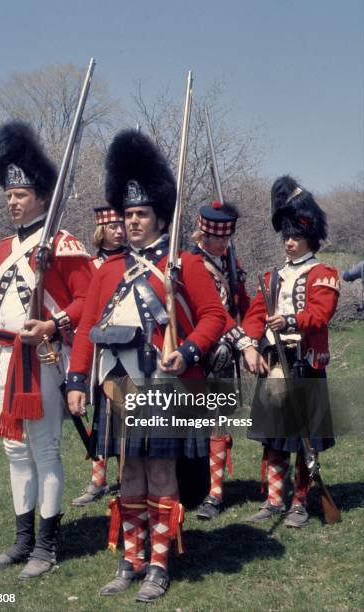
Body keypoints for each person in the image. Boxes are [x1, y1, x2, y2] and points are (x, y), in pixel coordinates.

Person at [66, 129, 231, 602]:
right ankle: (130, 559)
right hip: (117, 385)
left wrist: (191, 351)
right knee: (129, 475)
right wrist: (78, 380)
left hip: (162, 382)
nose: (132, 222)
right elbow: (84, 330)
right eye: (127, 214)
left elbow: (215, 317)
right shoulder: (108, 270)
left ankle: (159, 563)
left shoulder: (184, 265)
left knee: (161, 473)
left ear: (160, 217)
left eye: (140, 214)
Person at [0, 121, 91, 578]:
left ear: (41, 196)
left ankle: (47, 545)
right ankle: (21, 542)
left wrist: (53, 323)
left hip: (41, 360)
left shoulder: (63, 244)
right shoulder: (1, 249)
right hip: (2, 362)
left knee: (44, 451)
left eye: (20, 195)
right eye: (8, 195)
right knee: (15, 453)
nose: (12, 202)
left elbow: (86, 302)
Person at [243, 175, 340, 528]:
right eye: (286, 237)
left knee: (304, 441)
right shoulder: (270, 277)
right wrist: (250, 346)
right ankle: (272, 500)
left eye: (295, 238)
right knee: (274, 437)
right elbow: (254, 316)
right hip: (274, 362)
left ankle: (300, 501)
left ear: (309, 238)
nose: (289, 244)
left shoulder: (324, 273)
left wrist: (291, 320)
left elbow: (320, 314)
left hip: (305, 363)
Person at [190, 200, 252, 519]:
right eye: (219, 238)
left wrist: (243, 337)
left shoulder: (229, 261)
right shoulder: (190, 263)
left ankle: (215, 492)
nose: (224, 243)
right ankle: (191, 485)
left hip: (223, 353)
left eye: (227, 238)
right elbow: (210, 309)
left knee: (218, 423)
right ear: (204, 234)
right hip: (195, 353)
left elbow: (239, 303)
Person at [72, 205, 125, 506]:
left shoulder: (133, 262)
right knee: (100, 414)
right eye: (113, 226)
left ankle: (125, 475)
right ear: (101, 230)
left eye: (122, 225)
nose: (119, 231)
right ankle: (98, 479)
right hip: (95, 349)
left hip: (124, 350)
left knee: (123, 414)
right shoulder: (89, 266)